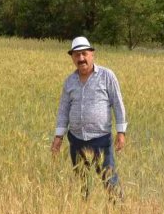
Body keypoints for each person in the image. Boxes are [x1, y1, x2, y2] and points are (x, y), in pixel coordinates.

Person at [51, 36, 127, 196]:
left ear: (92, 54)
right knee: (82, 183)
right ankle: (84, 209)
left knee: (110, 181)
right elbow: (63, 110)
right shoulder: (69, 81)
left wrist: (121, 132)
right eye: (76, 55)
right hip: (76, 140)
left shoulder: (107, 76)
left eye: (84, 54)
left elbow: (118, 104)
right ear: (72, 58)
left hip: (101, 140)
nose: (81, 58)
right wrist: (58, 136)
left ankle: (118, 209)